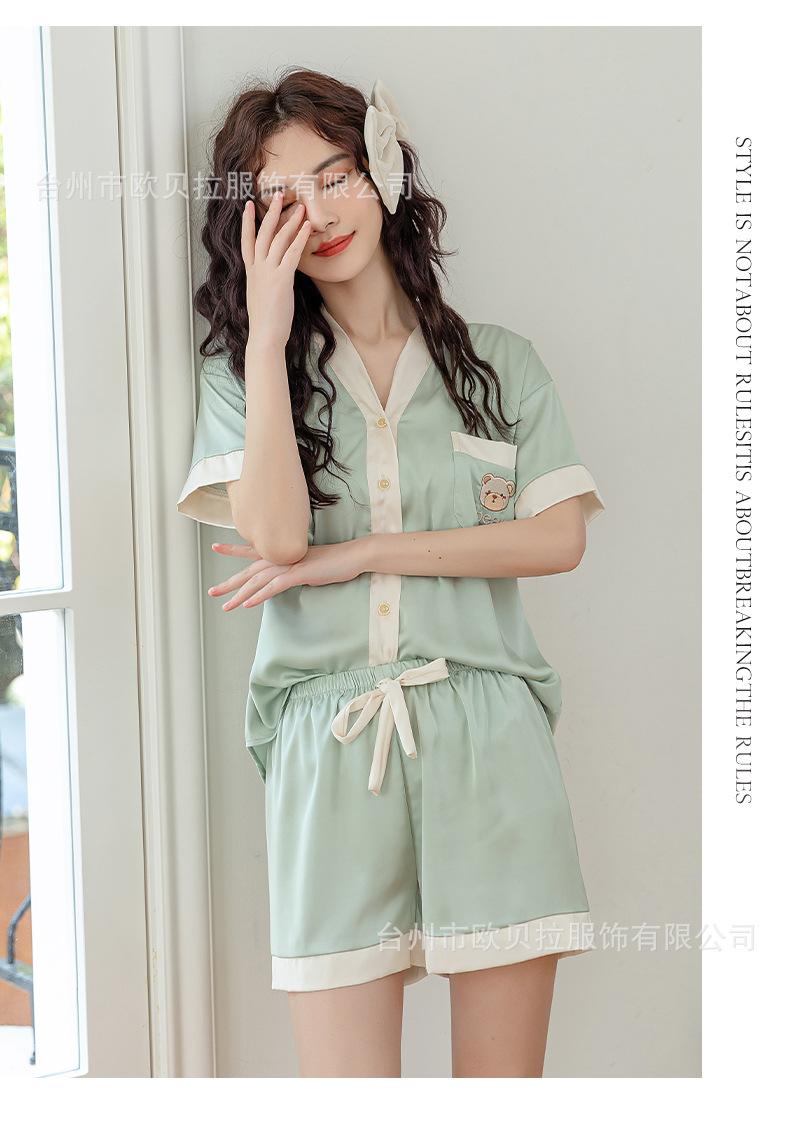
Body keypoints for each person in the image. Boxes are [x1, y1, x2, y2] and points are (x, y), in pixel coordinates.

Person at [177, 67, 605, 1078]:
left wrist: (365, 550)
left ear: (383, 173)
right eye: (282, 198)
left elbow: (557, 539)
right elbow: (278, 537)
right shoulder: (244, 381)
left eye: (336, 176)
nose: (319, 214)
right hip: (327, 753)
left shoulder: (499, 365)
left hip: (491, 739)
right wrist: (268, 336)